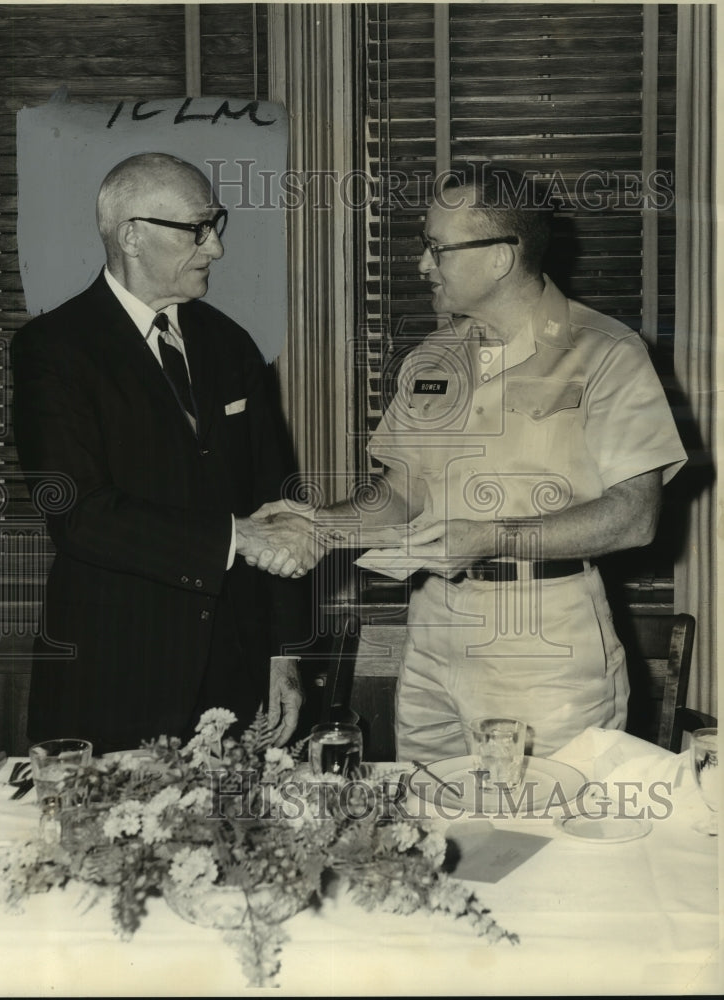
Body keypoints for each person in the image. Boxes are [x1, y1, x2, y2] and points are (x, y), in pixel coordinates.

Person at [258, 164, 687, 759]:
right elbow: (401, 493)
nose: (422, 264)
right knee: (432, 829)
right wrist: (317, 525)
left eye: (436, 248)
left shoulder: (607, 353)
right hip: (433, 627)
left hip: (544, 639)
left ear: (500, 258)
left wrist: (489, 536)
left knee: (542, 836)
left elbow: (634, 517)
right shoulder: (431, 360)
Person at [12, 152, 318, 754]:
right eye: (197, 230)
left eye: (216, 225)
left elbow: (277, 504)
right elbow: (80, 516)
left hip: (233, 678)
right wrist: (235, 538)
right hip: (113, 678)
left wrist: (285, 653)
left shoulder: (230, 344)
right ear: (132, 234)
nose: (216, 248)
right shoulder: (53, 350)